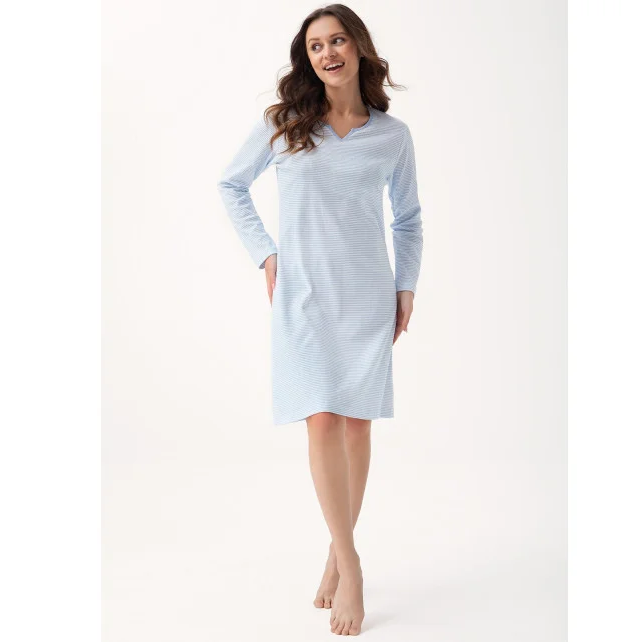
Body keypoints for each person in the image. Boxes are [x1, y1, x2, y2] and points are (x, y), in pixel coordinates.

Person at [218, 4, 423, 636]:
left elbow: (408, 220)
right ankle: (353, 564)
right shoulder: (283, 124)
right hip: (303, 294)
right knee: (323, 418)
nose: (328, 53)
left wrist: (405, 287)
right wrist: (265, 254)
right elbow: (231, 185)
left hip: (366, 293)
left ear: (358, 47)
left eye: (337, 41)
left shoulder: (392, 135)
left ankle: (337, 549)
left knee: (357, 426)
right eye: (315, 46)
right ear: (306, 59)